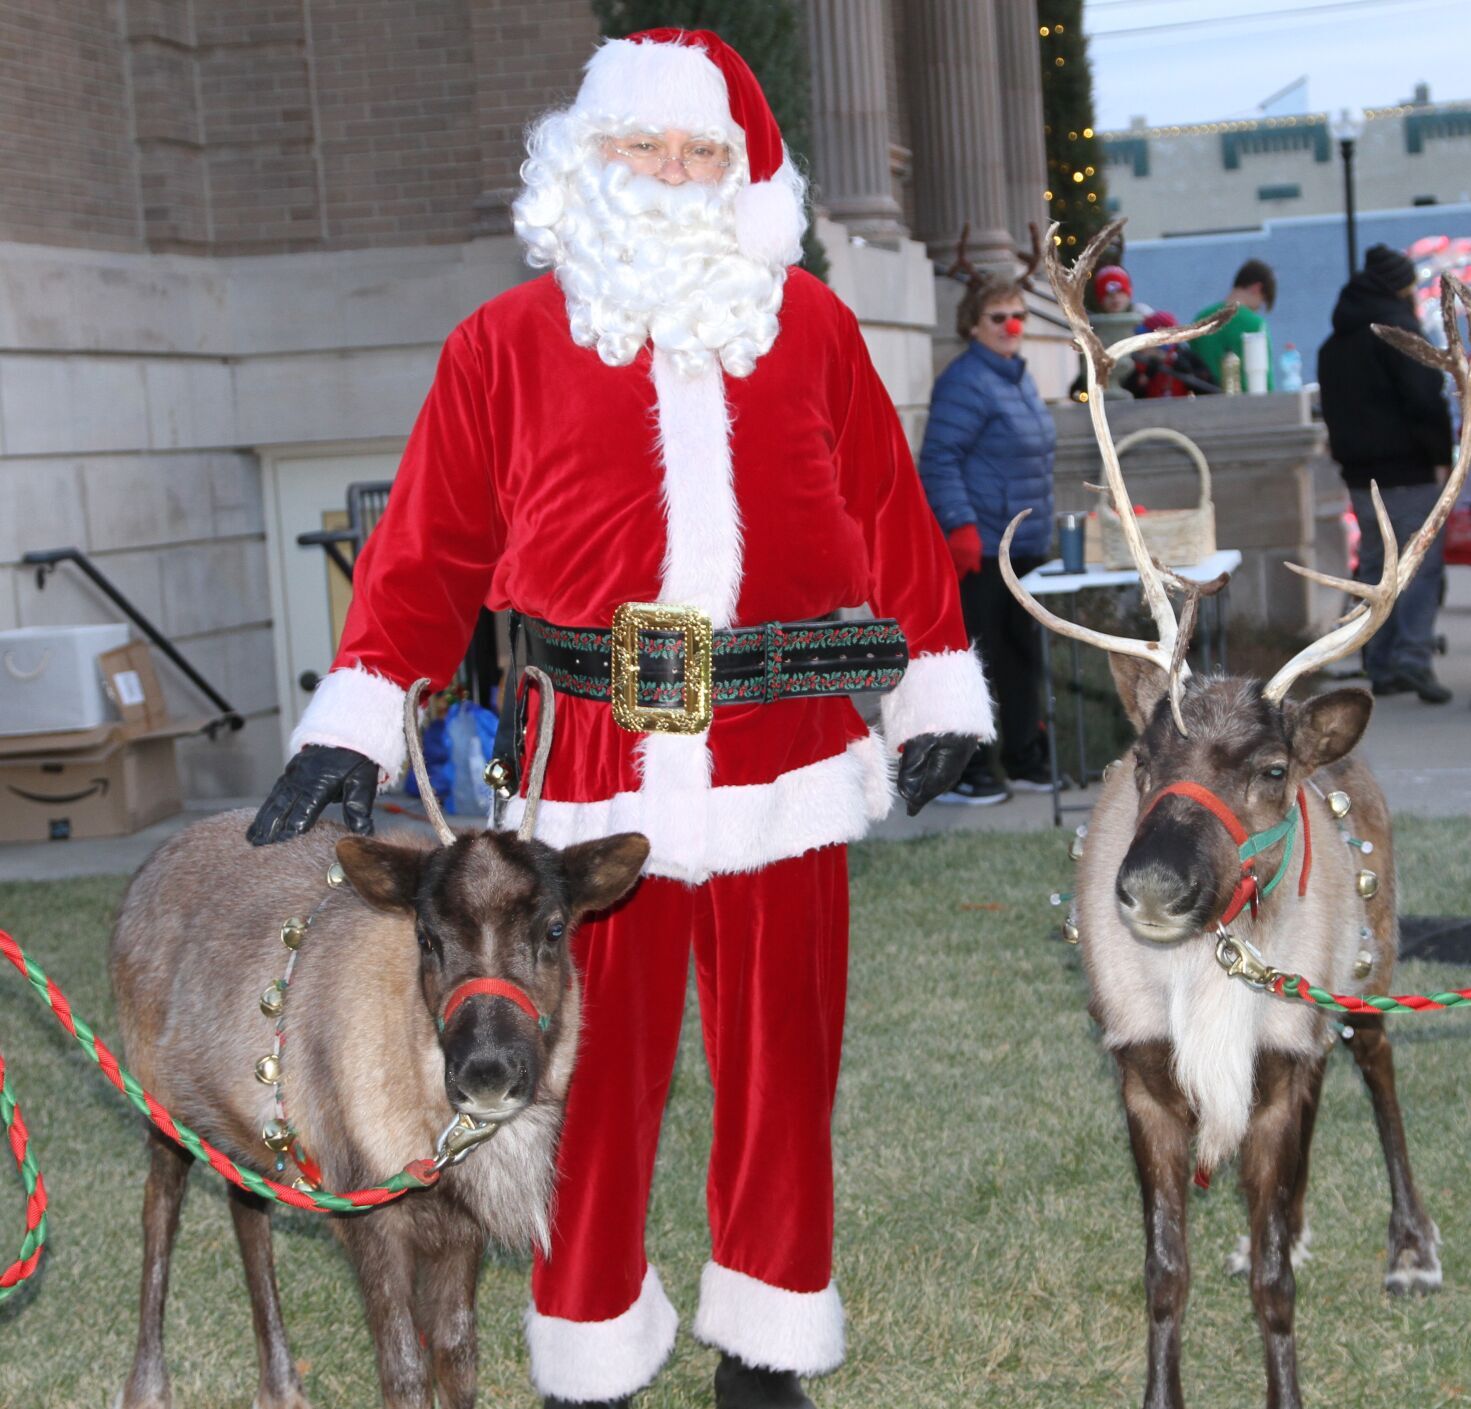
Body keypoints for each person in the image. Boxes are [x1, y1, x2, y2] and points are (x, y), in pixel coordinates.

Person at [245, 29, 993, 1409]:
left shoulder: (809, 327)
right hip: (588, 767)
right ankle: (587, 1344)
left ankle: (764, 1351)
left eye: (700, 153)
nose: (668, 173)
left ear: (740, 174)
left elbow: (888, 515)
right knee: (578, 1075)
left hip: (786, 757)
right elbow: (426, 550)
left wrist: (932, 679)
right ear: (582, 163)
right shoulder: (503, 346)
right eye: (640, 148)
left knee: (783, 1075)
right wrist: (354, 716)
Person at [917, 268, 1057, 804]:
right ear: (973, 325)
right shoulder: (964, 382)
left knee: (1021, 657)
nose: (1011, 325)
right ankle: (967, 769)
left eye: (1018, 315)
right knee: (978, 661)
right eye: (998, 317)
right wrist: (961, 526)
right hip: (984, 548)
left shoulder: (1017, 376)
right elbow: (940, 459)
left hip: (1023, 546)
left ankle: (1022, 756)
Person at [1318, 243, 1455, 704]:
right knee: (1419, 566)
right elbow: (1424, 399)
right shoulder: (1400, 333)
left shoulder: (1334, 344)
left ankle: (1378, 661)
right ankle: (1412, 658)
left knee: (1376, 568)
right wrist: (1441, 455)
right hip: (1409, 469)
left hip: (1360, 475)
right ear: (1399, 286)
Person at [1191, 257, 1277, 389]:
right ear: (1256, 288)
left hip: (1205, 404)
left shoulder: (1200, 319)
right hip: (1246, 405)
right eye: (1262, 301)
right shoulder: (1255, 324)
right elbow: (1265, 381)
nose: (1258, 308)